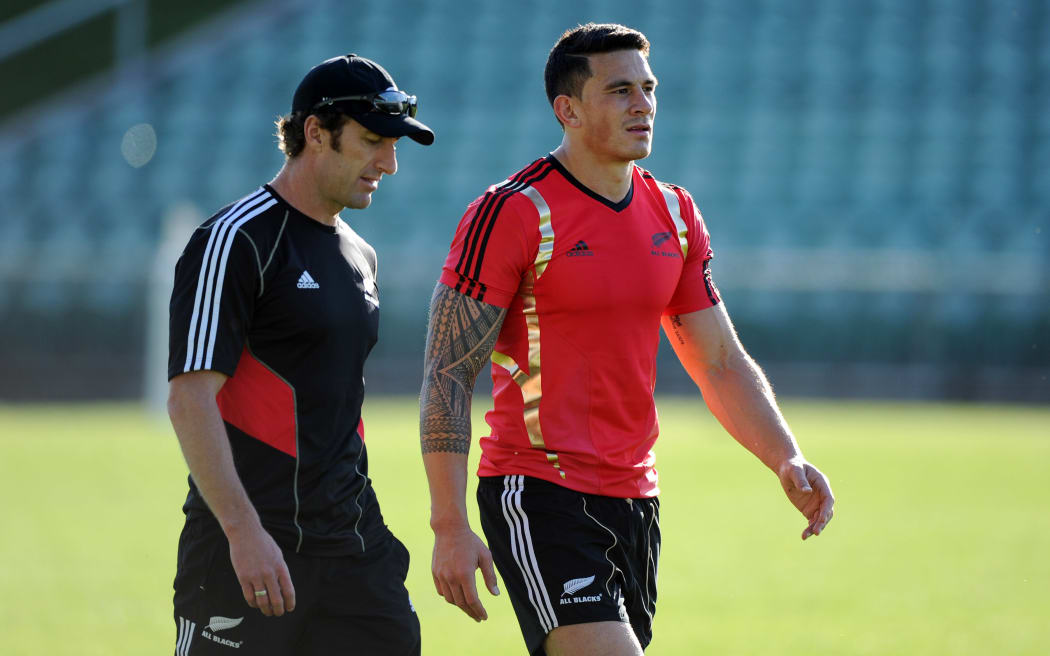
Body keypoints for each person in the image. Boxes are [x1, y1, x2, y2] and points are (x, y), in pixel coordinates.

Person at [419, 23, 834, 656]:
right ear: (570, 110)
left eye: (648, 87)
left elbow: (718, 360)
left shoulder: (674, 212)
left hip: (637, 497)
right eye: (620, 90)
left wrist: (786, 455)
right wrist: (449, 523)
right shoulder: (512, 212)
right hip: (539, 490)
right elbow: (448, 373)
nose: (642, 104)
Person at [167, 54, 433, 655]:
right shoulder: (234, 240)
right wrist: (243, 533)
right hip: (251, 551)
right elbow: (189, 398)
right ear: (315, 132)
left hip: (354, 551)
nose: (388, 164)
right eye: (372, 142)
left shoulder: (361, 255)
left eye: (393, 147)